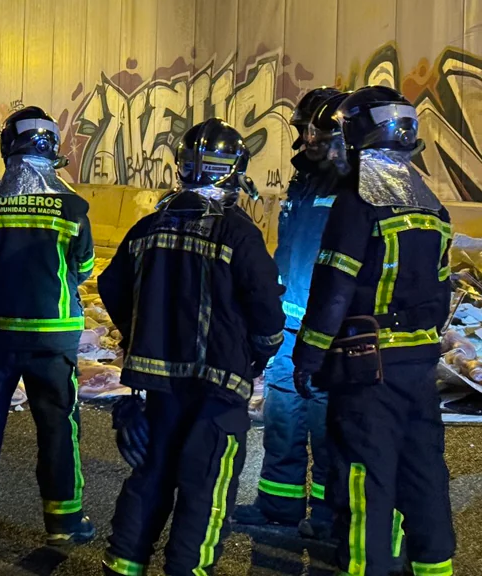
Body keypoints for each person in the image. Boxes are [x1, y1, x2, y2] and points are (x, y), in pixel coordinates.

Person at [98, 118, 285, 576]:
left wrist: (137, 337)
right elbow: (265, 307)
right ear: (236, 170)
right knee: (206, 488)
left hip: (157, 386)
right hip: (217, 386)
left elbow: (112, 285)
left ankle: (123, 565)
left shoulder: (147, 226)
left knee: (151, 474)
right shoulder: (238, 233)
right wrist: (260, 353)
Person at [293, 86, 455, 575]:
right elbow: (443, 294)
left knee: (367, 476)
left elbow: (333, 290)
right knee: (423, 470)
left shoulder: (358, 204)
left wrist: (309, 355)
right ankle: (433, 567)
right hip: (420, 365)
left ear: (360, 136)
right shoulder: (433, 208)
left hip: (368, 368)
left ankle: (367, 566)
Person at [0, 107, 97, 546]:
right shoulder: (71, 206)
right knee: (57, 426)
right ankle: (64, 523)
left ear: (7, 147)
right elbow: (84, 266)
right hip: (53, 337)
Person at [234, 88, 346, 537]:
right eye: (302, 129)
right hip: (290, 321)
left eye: (310, 129)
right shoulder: (303, 182)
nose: (304, 138)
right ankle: (278, 504)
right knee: (282, 415)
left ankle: (326, 514)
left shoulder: (352, 185)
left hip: (326, 329)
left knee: (324, 421)